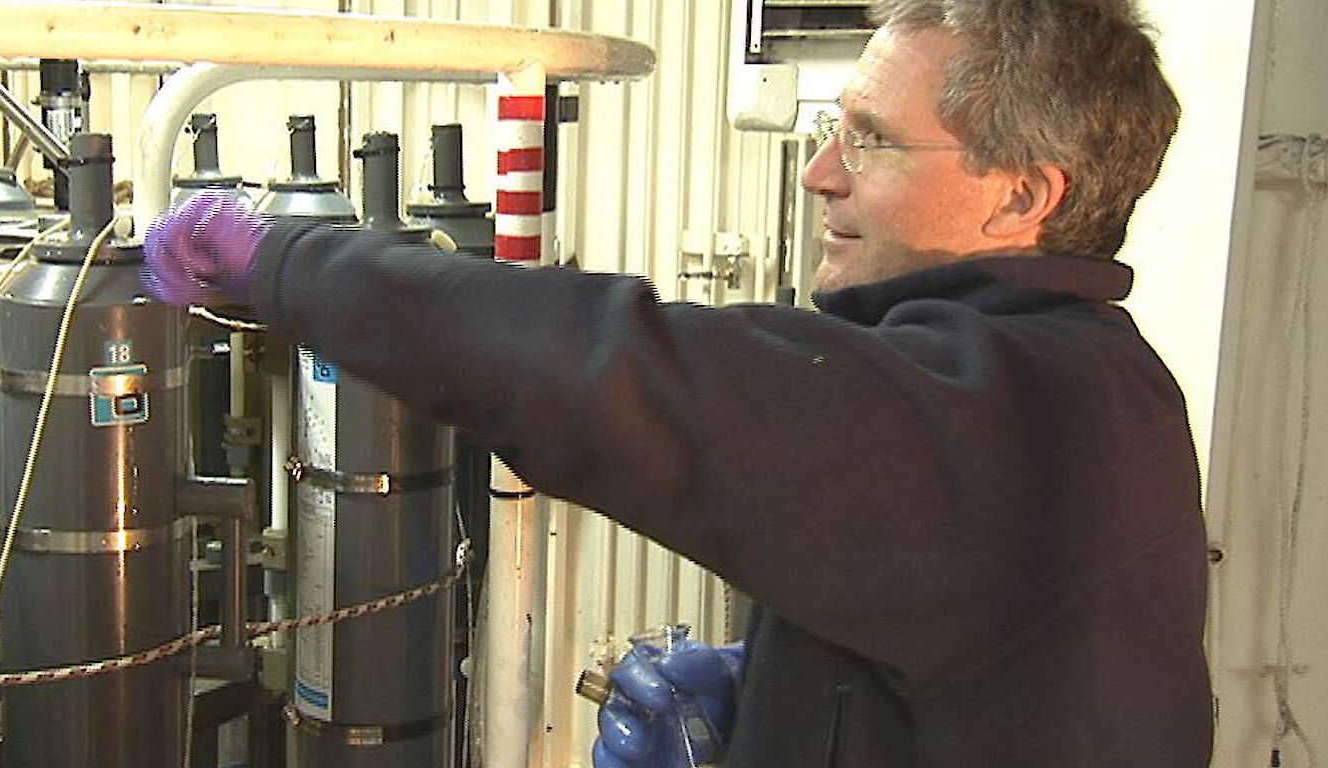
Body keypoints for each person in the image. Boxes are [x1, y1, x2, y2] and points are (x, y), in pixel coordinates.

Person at [140, 0, 1212, 763]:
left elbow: (622, 371)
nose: (820, 171)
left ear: (1021, 194)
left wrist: (285, 262)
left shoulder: (1011, 411)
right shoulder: (1084, 377)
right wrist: (797, 703)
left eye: (872, 140)